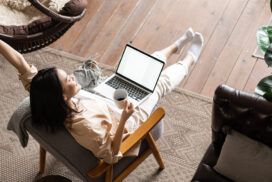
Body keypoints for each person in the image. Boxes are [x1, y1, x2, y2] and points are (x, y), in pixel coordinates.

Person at [0, 28, 203, 164]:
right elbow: (111, 155)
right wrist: (124, 118)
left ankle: (176, 45)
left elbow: (19, 61)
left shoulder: (44, 93)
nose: (72, 76)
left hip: (102, 100)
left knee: (139, 71)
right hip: (128, 119)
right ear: (61, 97)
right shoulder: (85, 126)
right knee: (158, 84)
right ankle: (189, 60)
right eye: (68, 80)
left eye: (67, 74)